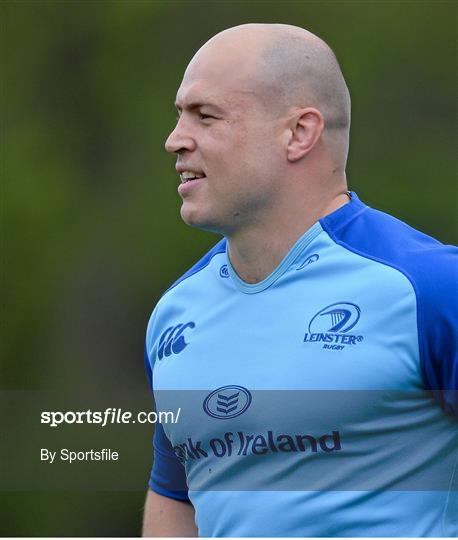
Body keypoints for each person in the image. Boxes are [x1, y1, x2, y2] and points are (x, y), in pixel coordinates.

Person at [142, 23, 457, 537]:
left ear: (299, 134)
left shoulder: (430, 288)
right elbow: (176, 500)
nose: (175, 139)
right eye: (180, 116)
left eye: (206, 115)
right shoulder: (175, 315)